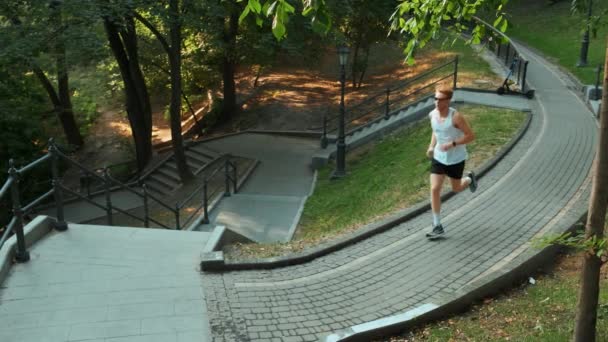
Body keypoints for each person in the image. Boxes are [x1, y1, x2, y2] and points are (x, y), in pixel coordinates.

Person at [425, 85, 477, 239]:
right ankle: (437, 225)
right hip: (439, 158)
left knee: (456, 188)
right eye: (435, 99)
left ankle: (469, 179)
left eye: (440, 100)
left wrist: (453, 144)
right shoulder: (432, 115)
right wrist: (431, 146)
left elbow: (470, 136)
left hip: (455, 159)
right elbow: (436, 131)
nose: (437, 102)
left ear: (448, 101)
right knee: (435, 189)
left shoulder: (456, 117)